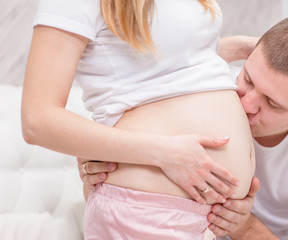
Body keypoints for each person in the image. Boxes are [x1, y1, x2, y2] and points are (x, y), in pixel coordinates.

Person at [83, 15, 288, 240]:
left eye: (272, 104)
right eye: (248, 79)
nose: (247, 103)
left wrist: (244, 228)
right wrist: (95, 162)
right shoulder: (213, 87)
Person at [21, 0, 257, 239]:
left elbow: (162, 61)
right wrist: (166, 153)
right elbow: (37, 120)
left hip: (210, 217)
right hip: (148, 211)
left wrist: (236, 47)